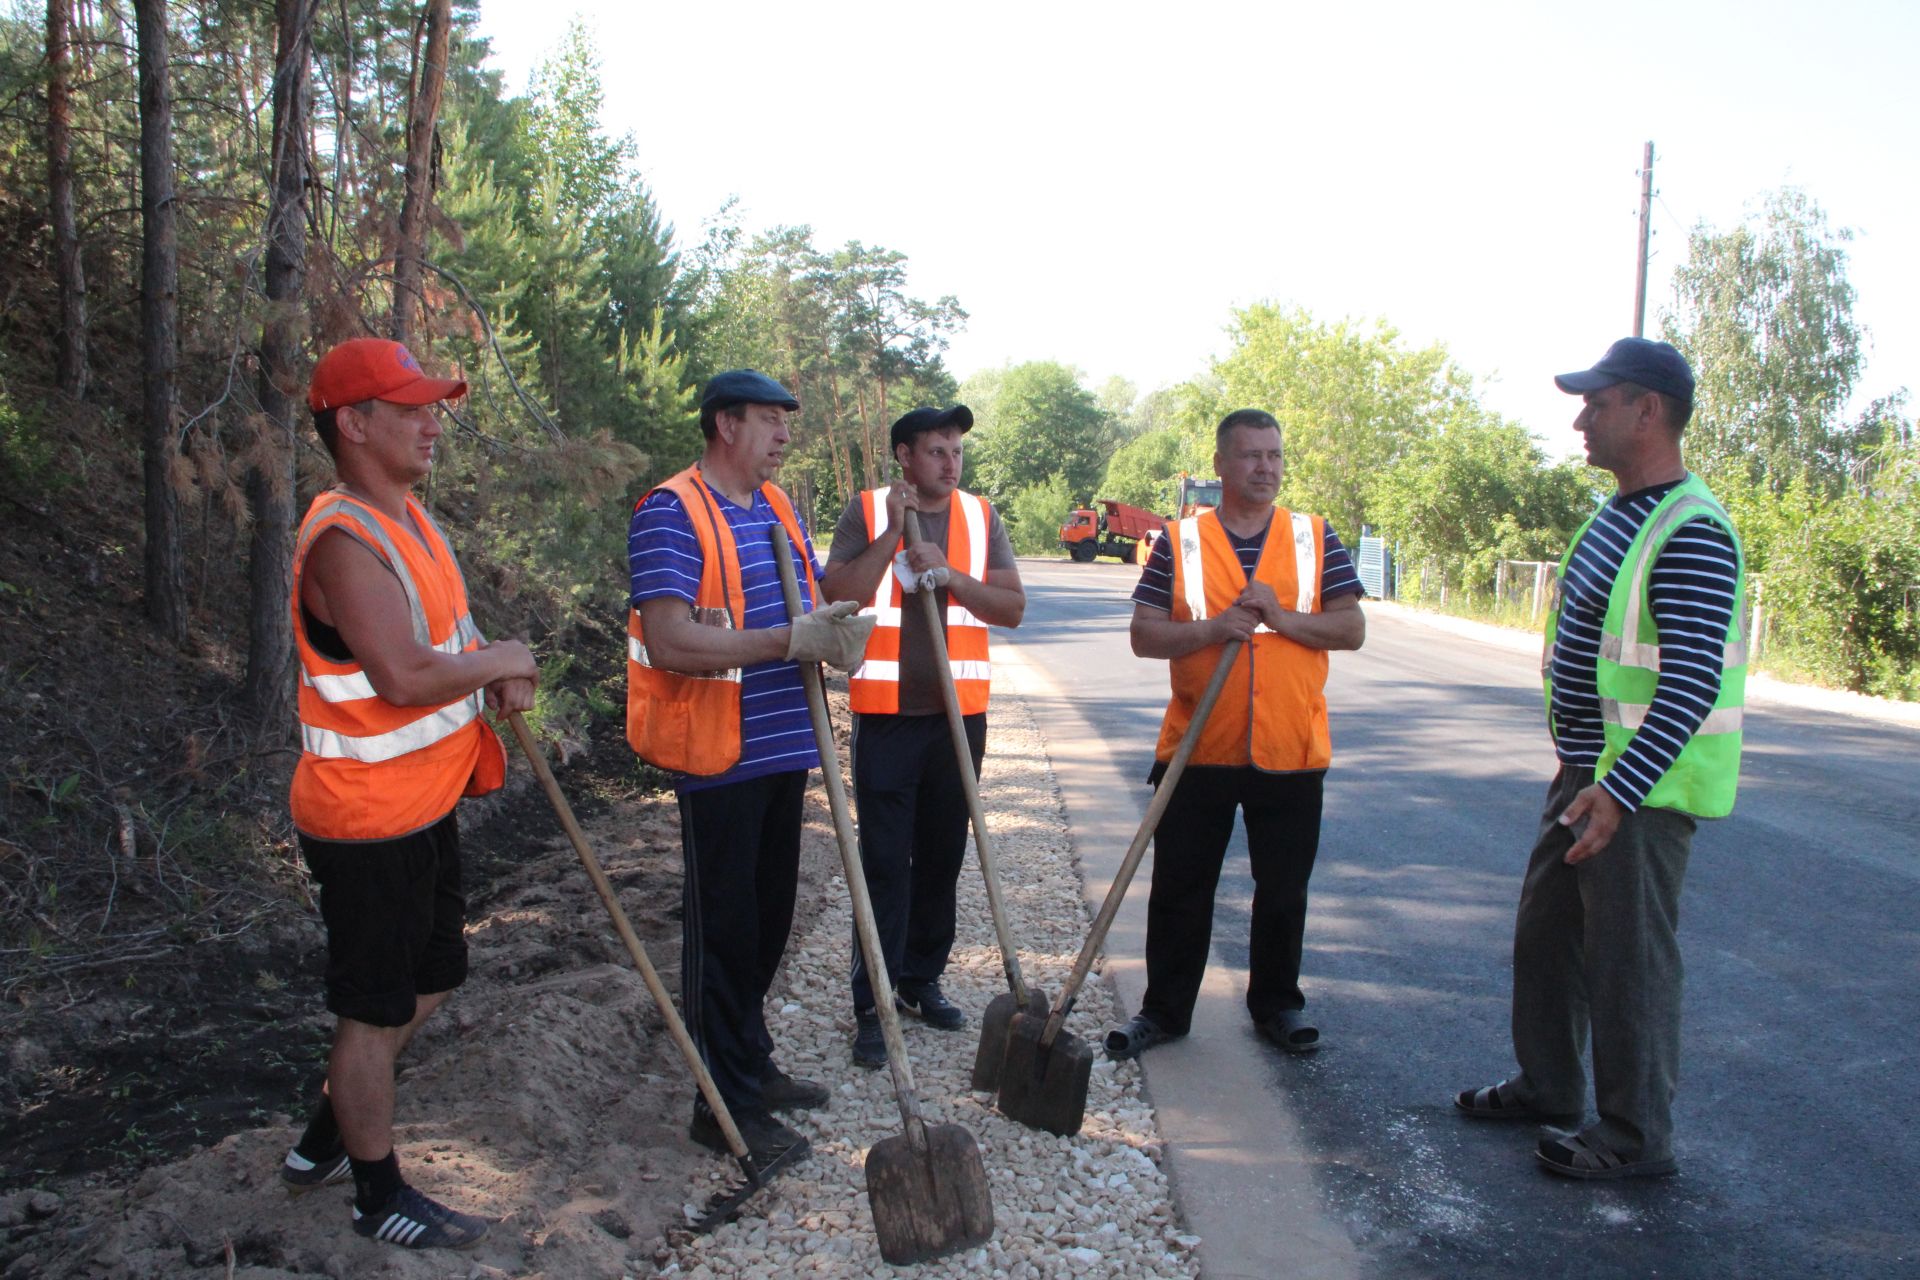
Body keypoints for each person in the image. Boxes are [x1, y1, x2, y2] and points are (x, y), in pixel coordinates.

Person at [1456, 338, 1745, 1181]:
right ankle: (1550, 1085)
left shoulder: (1690, 527)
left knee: (1630, 966)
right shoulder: (1620, 510)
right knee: (1546, 939)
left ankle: (1634, 1135)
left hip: (1639, 793)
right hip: (1588, 776)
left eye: (1599, 402)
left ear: (1647, 411)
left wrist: (1619, 789)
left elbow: (1689, 682)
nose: (1581, 419)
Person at [280, 338, 540, 1251]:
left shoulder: (409, 520)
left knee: (433, 977)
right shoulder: (345, 541)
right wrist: (499, 660)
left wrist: (490, 672)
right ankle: (377, 1194)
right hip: (366, 821)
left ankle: (325, 1138)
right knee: (373, 1012)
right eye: (411, 406)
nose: (434, 420)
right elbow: (399, 671)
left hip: (423, 804)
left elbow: (444, 644)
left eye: (433, 404)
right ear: (354, 424)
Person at [626, 369, 875, 1167]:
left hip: (782, 748)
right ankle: (719, 1103)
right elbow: (669, 640)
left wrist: (830, 629)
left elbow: (804, 600)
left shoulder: (775, 507)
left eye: (785, 421)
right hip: (716, 756)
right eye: (771, 420)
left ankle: (752, 1065)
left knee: (767, 925)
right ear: (725, 425)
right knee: (724, 935)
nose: (784, 434)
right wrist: (785, 641)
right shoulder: (671, 512)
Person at [1104, 409, 1365, 1060]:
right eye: (1250, 456)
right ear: (1220, 466)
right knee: (1180, 891)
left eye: (1274, 455)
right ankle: (1164, 1012)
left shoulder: (1314, 538)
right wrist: (1213, 628)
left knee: (1283, 890)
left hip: (1291, 749)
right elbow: (1143, 636)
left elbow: (1350, 628)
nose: (1265, 468)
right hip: (1198, 746)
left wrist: (1279, 615)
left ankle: (1278, 1005)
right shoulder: (1180, 541)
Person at [820, 406, 1025, 1067]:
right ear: (904, 455)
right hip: (887, 717)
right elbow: (838, 592)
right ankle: (874, 1003)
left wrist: (952, 576)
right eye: (936, 451)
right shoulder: (865, 510)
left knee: (942, 856)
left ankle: (919, 980)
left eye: (956, 451)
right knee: (883, 863)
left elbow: (1013, 608)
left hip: (959, 716)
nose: (950, 462)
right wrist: (892, 542)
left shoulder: (979, 516)